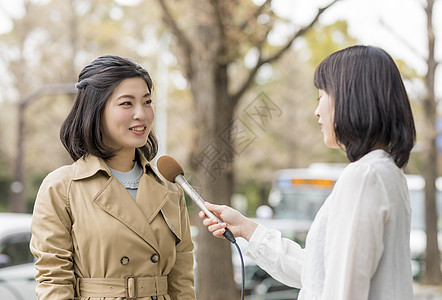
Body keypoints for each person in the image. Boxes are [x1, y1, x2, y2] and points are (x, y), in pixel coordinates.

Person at [200, 45, 416, 300]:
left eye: (321, 97)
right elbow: (317, 271)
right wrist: (247, 229)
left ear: (352, 97)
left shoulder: (364, 177)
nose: (317, 111)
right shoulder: (387, 173)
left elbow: (343, 291)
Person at [30, 55, 197, 300]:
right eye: (127, 104)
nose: (141, 114)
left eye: (147, 102)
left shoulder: (170, 190)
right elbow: (53, 280)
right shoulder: (62, 187)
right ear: (96, 111)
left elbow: (182, 283)